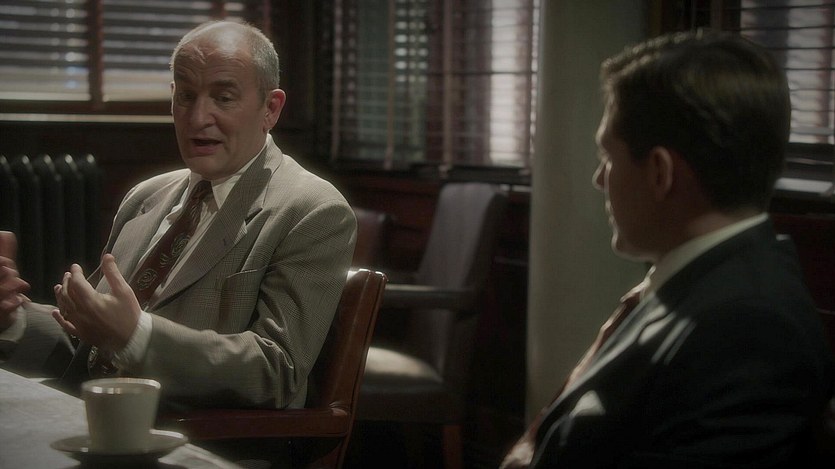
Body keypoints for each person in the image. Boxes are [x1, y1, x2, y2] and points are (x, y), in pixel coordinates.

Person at [501, 30, 834, 468]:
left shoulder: (746, 330)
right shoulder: (700, 286)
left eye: (608, 157)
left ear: (660, 172)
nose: (599, 180)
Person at [0, 20, 356, 412]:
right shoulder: (145, 197)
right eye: (186, 96)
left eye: (223, 98)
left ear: (270, 109)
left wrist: (136, 336)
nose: (198, 117)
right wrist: (12, 319)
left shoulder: (312, 210)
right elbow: (88, 348)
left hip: (198, 436)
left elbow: (276, 371)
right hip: (96, 420)